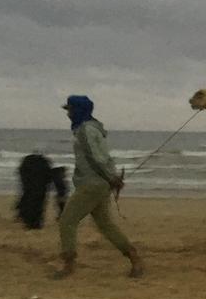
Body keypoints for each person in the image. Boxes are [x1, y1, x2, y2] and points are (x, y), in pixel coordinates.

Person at [54, 95, 143, 279]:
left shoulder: (85, 130)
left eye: (70, 110)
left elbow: (96, 158)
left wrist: (112, 178)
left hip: (92, 184)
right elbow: (103, 157)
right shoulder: (93, 128)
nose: (68, 114)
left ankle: (68, 264)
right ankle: (134, 257)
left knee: (67, 221)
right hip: (100, 183)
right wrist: (112, 178)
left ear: (78, 110)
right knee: (105, 224)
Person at [13, 153, 68, 230]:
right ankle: (31, 221)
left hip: (29, 167)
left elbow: (61, 192)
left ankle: (28, 219)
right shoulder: (51, 175)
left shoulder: (46, 173)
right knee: (35, 195)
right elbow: (61, 193)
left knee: (31, 193)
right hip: (32, 167)